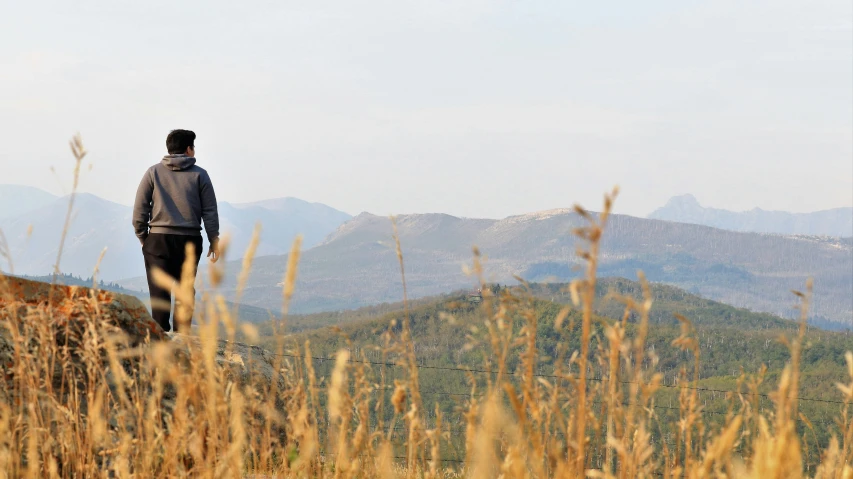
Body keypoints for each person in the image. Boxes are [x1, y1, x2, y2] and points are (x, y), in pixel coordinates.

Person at [132, 129, 220, 333]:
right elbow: (209, 211)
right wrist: (213, 239)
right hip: (189, 240)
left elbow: (140, 209)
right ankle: (182, 343)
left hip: (158, 240)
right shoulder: (200, 175)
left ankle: (160, 344)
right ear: (189, 149)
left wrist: (144, 238)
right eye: (193, 146)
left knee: (159, 295)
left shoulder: (153, 172)